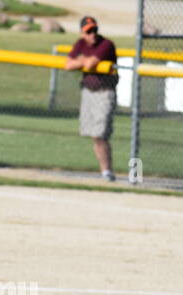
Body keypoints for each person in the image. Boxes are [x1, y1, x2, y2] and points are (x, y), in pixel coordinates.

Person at [65, 14, 119, 182]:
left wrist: (82, 60)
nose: (92, 34)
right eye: (88, 32)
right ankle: (105, 171)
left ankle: (107, 172)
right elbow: (68, 65)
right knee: (94, 135)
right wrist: (82, 60)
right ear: (82, 33)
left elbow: (89, 64)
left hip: (104, 93)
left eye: (94, 30)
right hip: (88, 92)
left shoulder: (106, 44)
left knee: (100, 134)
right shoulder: (80, 43)